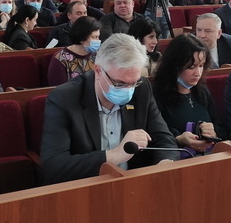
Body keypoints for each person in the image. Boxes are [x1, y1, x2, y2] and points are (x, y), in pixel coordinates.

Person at [40, 34, 177, 184]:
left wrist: (165, 163)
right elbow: (54, 167)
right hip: (86, 188)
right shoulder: (64, 98)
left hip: (134, 184)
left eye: (134, 83)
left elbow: (164, 139)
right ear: (98, 71)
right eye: (119, 84)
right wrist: (113, 155)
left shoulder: (142, 89)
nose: (128, 90)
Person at [152, 35, 222, 156]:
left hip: (207, 157)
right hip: (175, 160)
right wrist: (178, 140)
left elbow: (220, 126)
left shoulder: (202, 90)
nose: (198, 73)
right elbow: (155, 136)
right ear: (175, 66)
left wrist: (213, 132)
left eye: (201, 66)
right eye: (191, 67)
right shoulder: (156, 94)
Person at [47, 16, 100, 86]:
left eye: (98, 37)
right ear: (82, 38)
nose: (98, 41)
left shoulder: (99, 55)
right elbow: (59, 89)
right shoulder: (61, 58)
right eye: (94, 37)